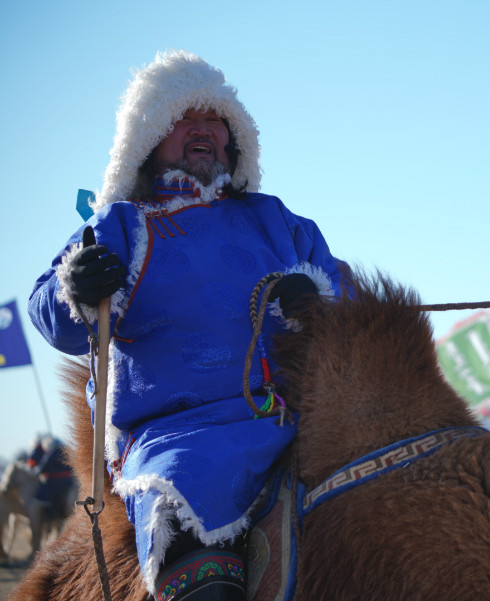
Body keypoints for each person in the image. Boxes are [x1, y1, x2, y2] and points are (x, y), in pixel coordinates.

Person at [29, 50, 351, 601]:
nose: (202, 128)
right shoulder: (121, 226)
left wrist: (319, 300)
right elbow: (56, 320)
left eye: (215, 119)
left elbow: (347, 294)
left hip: (295, 415)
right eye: (184, 117)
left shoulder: (277, 220)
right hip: (179, 435)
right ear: (150, 136)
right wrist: (75, 287)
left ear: (234, 139)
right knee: (191, 501)